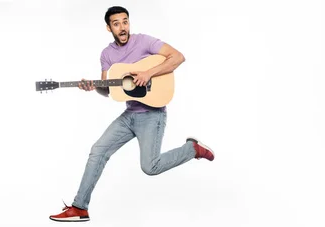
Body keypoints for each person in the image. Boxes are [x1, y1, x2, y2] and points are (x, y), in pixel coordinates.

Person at [49, 6, 215, 222]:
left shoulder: (145, 41)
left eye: (125, 21)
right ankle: (80, 207)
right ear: (109, 28)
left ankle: (192, 149)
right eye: (116, 23)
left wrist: (148, 73)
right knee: (97, 151)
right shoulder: (107, 55)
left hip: (152, 114)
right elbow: (108, 90)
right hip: (129, 115)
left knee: (150, 167)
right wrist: (92, 87)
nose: (122, 27)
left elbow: (178, 57)